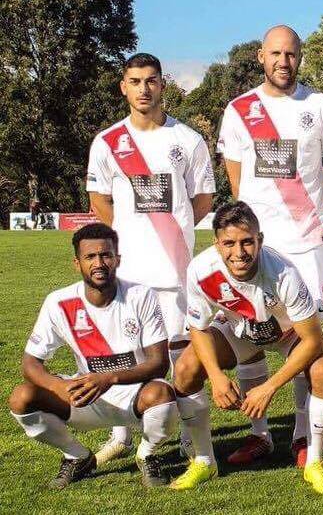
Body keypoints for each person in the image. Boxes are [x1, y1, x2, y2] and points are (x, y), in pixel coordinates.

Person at [86, 52, 215, 463]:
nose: (144, 89)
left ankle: (185, 435)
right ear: (123, 87)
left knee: (180, 357)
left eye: (151, 80)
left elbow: (203, 199)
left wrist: (173, 231)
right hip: (128, 273)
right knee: (124, 354)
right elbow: (99, 199)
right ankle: (120, 435)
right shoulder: (107, 142)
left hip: (174, 272)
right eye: (135, 81)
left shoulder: (188, 140)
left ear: (163, 84)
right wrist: (126, 236)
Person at [216, 25, 323, 467]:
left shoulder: (320, 106)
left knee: (306, 339)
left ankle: (302, 435)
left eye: (291, 54)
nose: (284, 62)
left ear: (300, 57)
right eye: (276, 54)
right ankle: (259, 434)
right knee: (249, 332)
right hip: (255, 248)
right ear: (261, 57)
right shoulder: (239, 109)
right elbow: (235, 178)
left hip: (306, 242)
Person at [169, 202, 323, 493]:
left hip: (287, 333)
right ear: (217, 244)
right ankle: (204, 460)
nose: (239, 252)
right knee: (185, 368)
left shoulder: (283, 272)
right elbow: (198, 327)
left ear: (260, 239)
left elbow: (314, 341)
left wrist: (269, 387)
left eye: (247, 241)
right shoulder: (201, 269)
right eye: (229, 243)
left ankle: (314, 462)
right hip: (241, 331)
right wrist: (217, 377)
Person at [9, 223, 178, 489]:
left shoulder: (141, 295)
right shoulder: (59, 302)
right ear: (77, 263)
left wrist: (109, 378)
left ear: (117, 259)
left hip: (136, 395)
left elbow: (159, 363)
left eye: (105, 255)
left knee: (163, 395)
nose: (98, 263)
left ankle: (147, 454)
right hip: (86, 396)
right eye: (90, 257)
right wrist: (58, 386)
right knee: (21, 398)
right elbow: (30, 363)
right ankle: (77, 456)